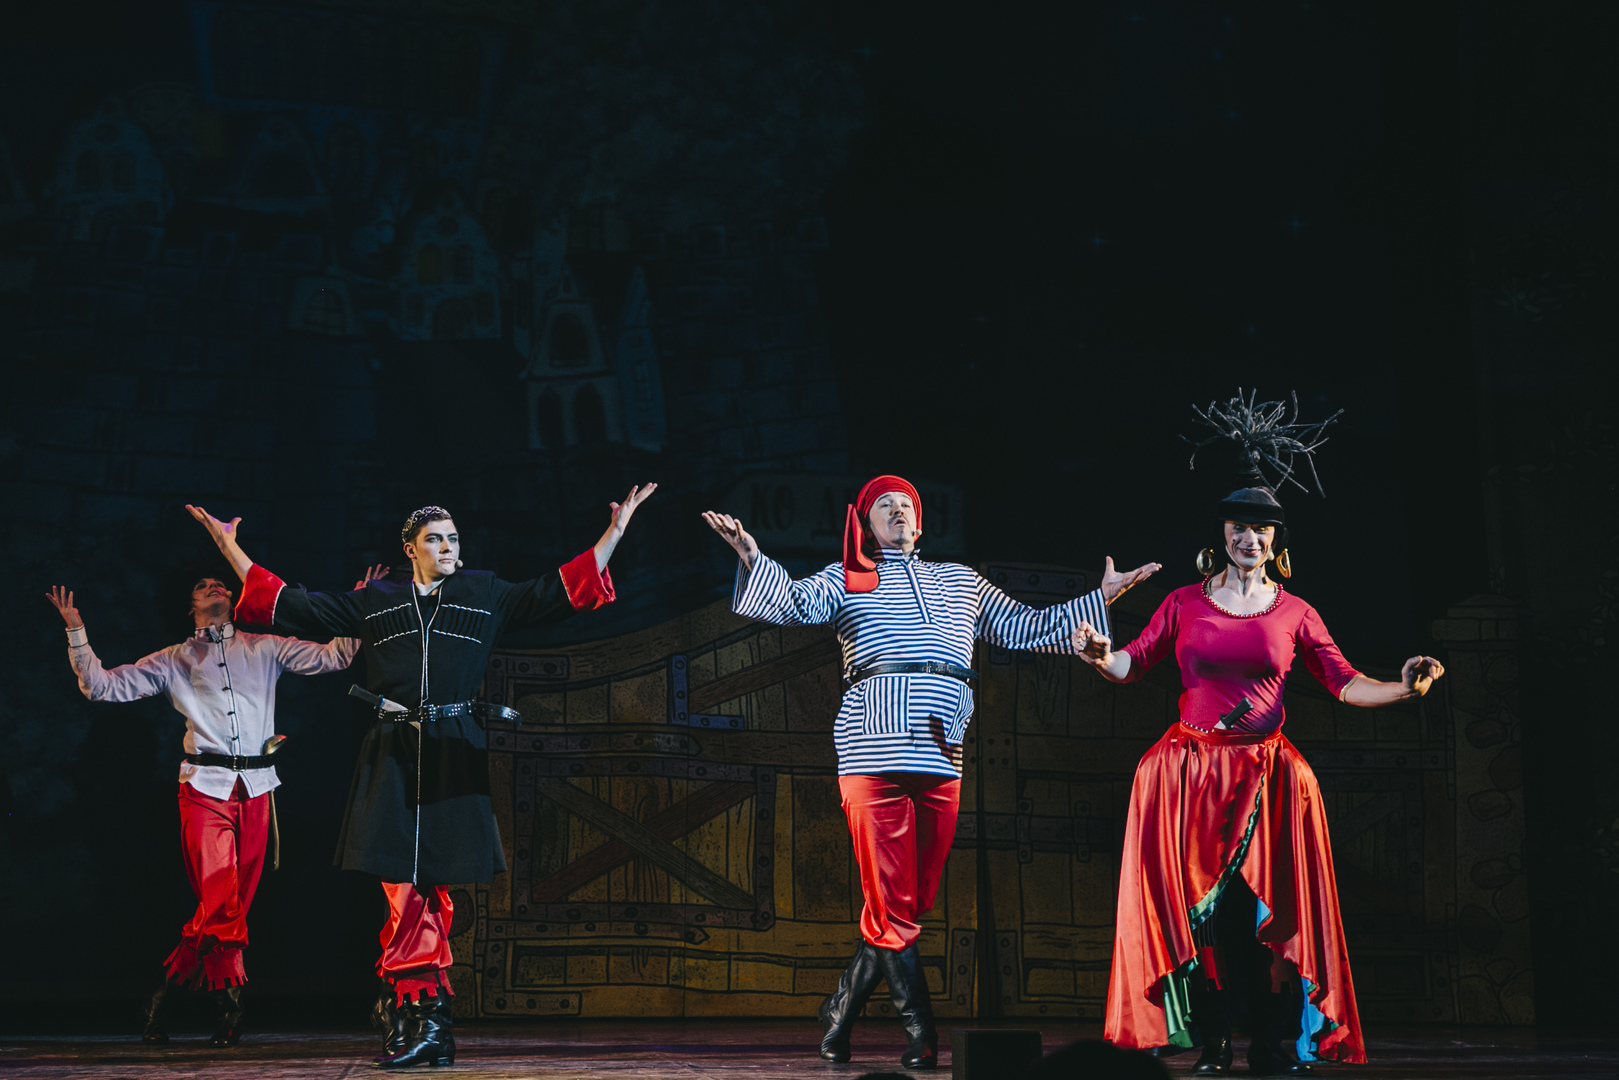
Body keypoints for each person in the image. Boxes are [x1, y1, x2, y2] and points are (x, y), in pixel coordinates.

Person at [187, 485, 655, 1069]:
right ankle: (415, 1014)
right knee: (400, 883)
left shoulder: (484, 593)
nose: (448, 547)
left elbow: (556, 590)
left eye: (453, 538)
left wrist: (615, 532)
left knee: (431, 885)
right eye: (435, 539)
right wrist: (230, 548)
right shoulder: (378, 600)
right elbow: (295, 605)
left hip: (452, 749)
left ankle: (419, 1015)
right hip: (392, 749)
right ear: (410, 549)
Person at [704, 475, 1159, 1069]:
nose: (897, 511)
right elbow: (789, 600)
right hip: (872, 748)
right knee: (892, 903)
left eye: (906, 505)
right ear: (867, 525)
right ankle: (921, 1030)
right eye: (883, 506)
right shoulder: (849, 578)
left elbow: (1026, 628)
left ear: (920, 524)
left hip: (942, 749)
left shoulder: (960, 582)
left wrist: (1102, 597)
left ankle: (840, 1009)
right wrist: (750, 554)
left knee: (909, 901)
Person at [1078, 394, 1444, 1074]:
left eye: (1262, 530)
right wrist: (1102, 655)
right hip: (1190, 774)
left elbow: (1343, 682)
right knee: (1208, 914)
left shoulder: (1296, 611)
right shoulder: (1182, 603)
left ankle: (1269, 1043)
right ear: (1221, 533)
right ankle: (1215, 1040)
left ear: (1277, 540)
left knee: (1261, 910)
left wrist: (1403, 687)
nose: (1250, 539)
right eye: (1239, 527)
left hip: (1268, 777)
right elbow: (1131, 664)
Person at [46, 565, 378, 1046]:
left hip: (257, 788)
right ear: (191, 608)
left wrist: (359, 604)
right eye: (202, 587)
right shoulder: (174, 659)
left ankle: (162, 998)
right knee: (223, 899)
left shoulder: (265, 647)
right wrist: (76, 631)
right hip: (205, 787)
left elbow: (338, 656)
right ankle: (230, 1004)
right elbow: (101, 686)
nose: (214, 586)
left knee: (226, 906)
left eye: (219, 583)